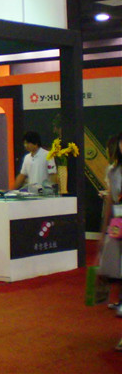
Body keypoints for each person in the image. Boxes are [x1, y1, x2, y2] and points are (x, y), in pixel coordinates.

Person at [98, 132, 122, 317]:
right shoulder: (112, 171)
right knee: (115, 262)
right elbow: (110, 201)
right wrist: (104, 230)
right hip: (118, 221)